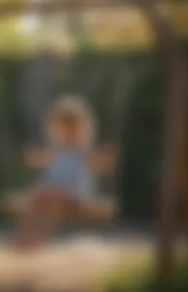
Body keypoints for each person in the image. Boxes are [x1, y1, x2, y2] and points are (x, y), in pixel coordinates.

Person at [15, 95, 117, 251]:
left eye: (72, 128)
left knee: (54, 197)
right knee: (36, 200)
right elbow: (40, 160)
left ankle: (39, 240)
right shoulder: (55, 151)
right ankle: (25, 238)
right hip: (52, 192)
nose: (68, 133)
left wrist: (105, 160)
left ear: (83, 129)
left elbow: (98, 163)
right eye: (63, 128)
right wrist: (32, 158)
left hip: (77, 195)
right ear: (55, 130)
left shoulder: (83, 151)